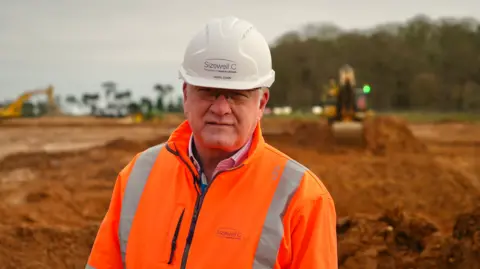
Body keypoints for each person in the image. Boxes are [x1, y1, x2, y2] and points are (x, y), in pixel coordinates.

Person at [85, 16, 338, 269]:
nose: (220, 108)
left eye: (237, 95)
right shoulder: (138, 176)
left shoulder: (304, 199)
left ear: (261, 103)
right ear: (186, 95)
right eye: (207, 91)